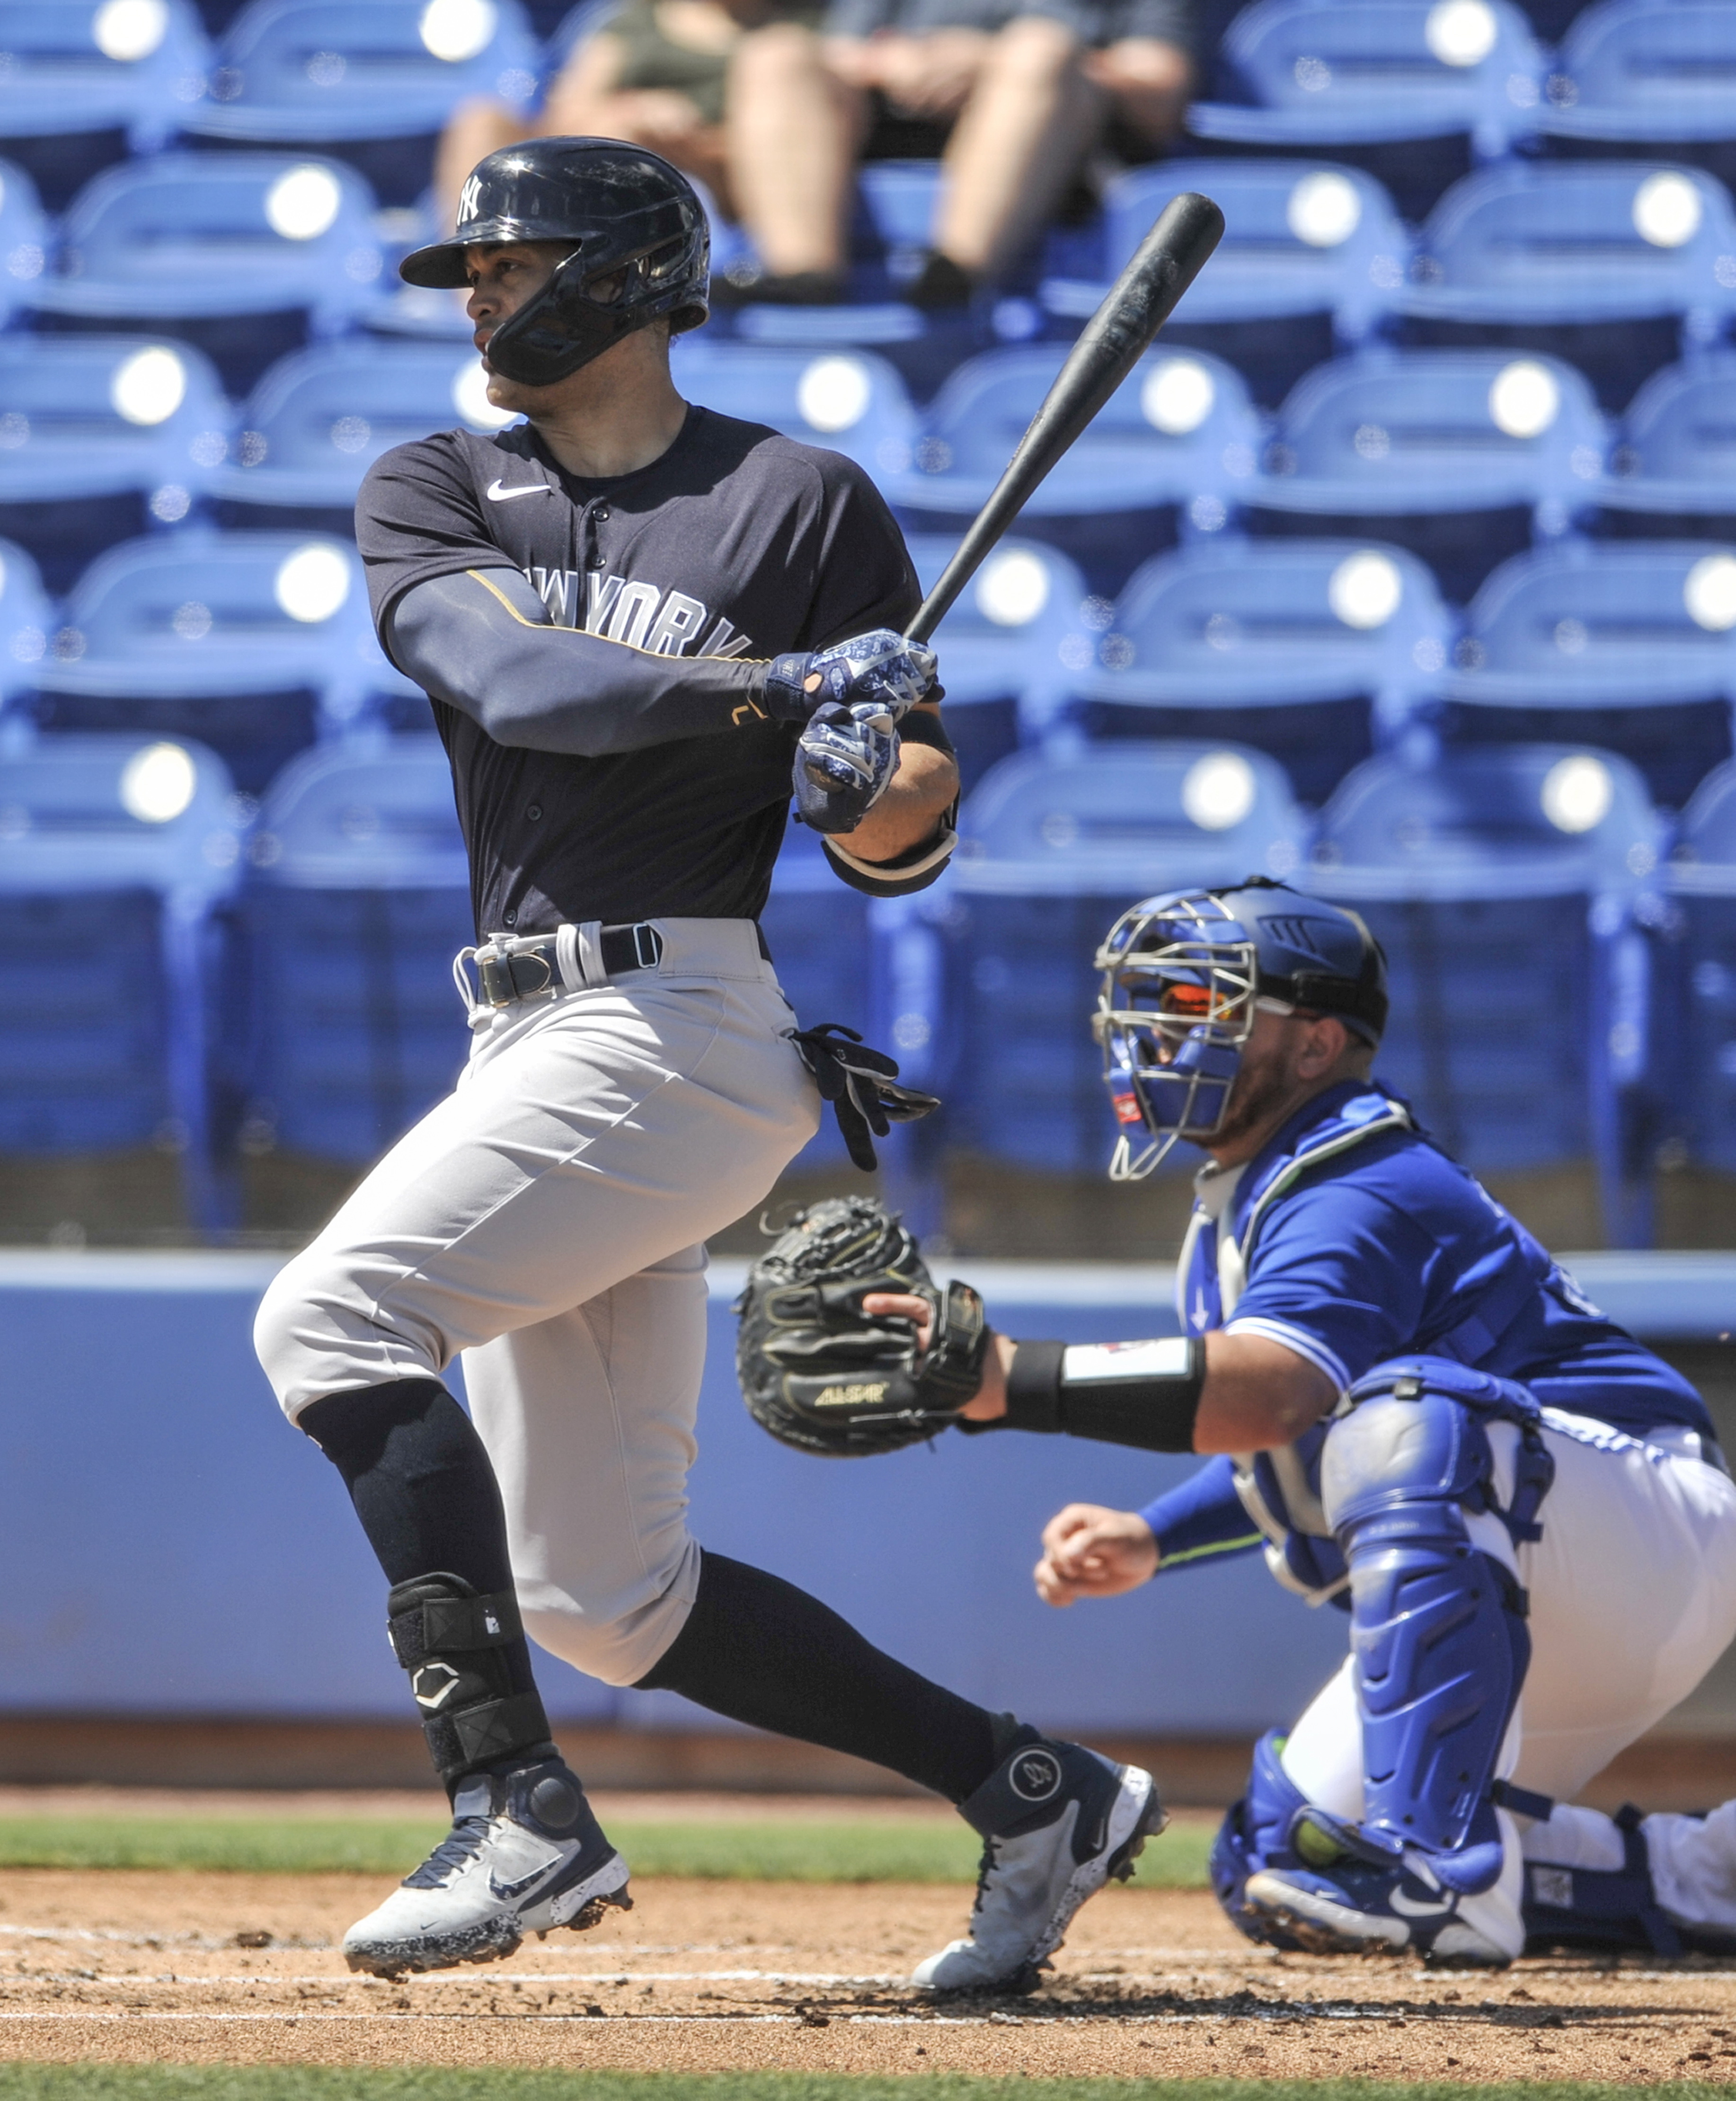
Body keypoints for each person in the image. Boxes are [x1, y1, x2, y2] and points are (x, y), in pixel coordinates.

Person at [251, 136, 1160, 1990]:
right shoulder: (437, 483)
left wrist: (860, 775)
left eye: (510, 264)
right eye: (475, 274)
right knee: (600, 1590)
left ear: (629, 275)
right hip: (526, 1025)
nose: (485, 296)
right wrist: (773, 699)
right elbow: (521, 686)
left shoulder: (793, 501)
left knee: (332, 1319)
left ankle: (513, 1804)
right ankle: (1031, 1785)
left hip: (675, 1019)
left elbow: (907, 824)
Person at [863, 879, 1736, 1963]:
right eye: (1160, 1001)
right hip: (1537, 1556)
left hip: (1649, 1532)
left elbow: (1271, 1393)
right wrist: (1155, 1538)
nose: (1166, 1030)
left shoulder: (1355, 1176)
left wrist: (1013, 1380)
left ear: (1318, 1043)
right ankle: (1703, 1877)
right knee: (1291, 1854)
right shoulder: (1253, 1194)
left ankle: (1437, 1869)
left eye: (1203, 1001)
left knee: (1413, 1419)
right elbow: (1291, 1435)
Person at [433, 0, 859, 299]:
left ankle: (800, 275)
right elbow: (562, 122)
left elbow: (799, 136)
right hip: (615, 161)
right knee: (481, 121)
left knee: (777, 59)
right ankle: (484, 292)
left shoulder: (806, 27)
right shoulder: (633, 22)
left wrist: (692, 144)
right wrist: (636, 113)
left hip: (731, 175)